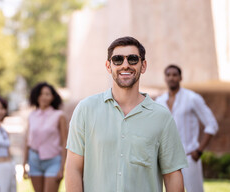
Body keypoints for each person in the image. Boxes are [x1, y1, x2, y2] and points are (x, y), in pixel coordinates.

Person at [65, 36, 188, 192]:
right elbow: (73, 168)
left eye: (132, 59)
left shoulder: (162, 117)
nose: (125, 65)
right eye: (117, 60)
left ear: (143, 66)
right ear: (108, 66)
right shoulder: (85, 109)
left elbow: (172, 175)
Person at [155, 64, 219, 192]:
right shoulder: (159, 101)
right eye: (168, 75)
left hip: (189, 156)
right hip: (166, 158)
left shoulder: (192, 98)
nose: (171, 78)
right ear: (165, 78)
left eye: (174, 75)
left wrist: (199, 151)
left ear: (180, 77)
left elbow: (212, 124)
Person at [23, 82, 68, 192]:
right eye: (41, 94)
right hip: (34, 161)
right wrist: (24, 164)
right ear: (36, 96)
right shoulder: (32, 116)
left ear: (53, 97)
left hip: (53, 161)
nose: (44, 97)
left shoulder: (59, 116)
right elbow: (27, 141)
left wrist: (62, 167)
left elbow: (64, 142)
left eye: (47, 94)